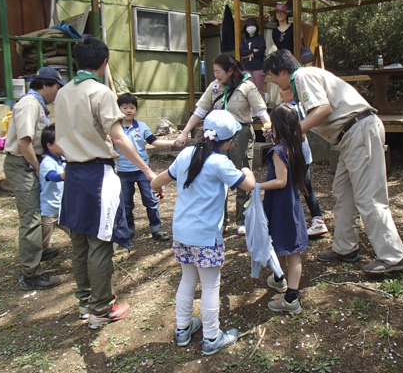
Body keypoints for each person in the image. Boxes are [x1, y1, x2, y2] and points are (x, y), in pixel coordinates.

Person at [264, 50, 403, 274]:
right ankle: (345, 247)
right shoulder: (302, 83)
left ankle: (393, 256)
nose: (272, 81)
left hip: (358, 131)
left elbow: (323, 109)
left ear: (283, 71)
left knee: (368, 196)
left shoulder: (302, 76)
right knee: (343, 192)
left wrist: (290, 132)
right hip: (350, 137)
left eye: (272, 76)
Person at [55, 37, 161, 329]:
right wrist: (148, 171)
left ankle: (85, 302)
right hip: (97, 174)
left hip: (73, 174)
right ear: (104, 63)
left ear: (77, 61)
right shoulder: (100, 92)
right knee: (100, 242)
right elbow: (118, 137)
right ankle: (101, 309)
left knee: (79, 240)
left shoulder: (62, 92)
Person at [151, 110, 256, 355]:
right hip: (206, 236)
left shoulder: (187, 153)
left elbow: (159, 180)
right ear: (229, 141)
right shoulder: (221, 163)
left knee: (188, 279)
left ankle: (183, 330)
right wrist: (248, 171)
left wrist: (156, 188)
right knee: (210, 285)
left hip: (181, 233)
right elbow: (249, 185)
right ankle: (211, 338)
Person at [175, 53, 269, 237]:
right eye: (214, 71)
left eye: (219, 71)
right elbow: (200, 111)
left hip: (240, 134)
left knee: (242, 171)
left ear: (230, 70)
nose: (216, 75)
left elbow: (260, 110)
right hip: (216, 136)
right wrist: (185, 131)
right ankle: (221, 219)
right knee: (217, 176)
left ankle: (242, 219)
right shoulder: (215, 87)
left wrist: (269, 127)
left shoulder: (247, 87)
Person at [3, 67, 65, 291]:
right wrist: (39, 169)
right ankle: (30, 274)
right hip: (23, 163)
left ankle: (38, 249)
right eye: (57, 87)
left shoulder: (38, 104)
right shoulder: (29, 104)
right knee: (31, 218)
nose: (58, 93)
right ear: (46, 85)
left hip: (30, 162)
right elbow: (24, 143)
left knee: (42, 210)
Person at [259, 103, 309, 313]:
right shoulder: (297, 145)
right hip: (291, 204)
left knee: (287, 249)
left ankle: (291, 299)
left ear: (278, 127)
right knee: (284, 245)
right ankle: (279, 278)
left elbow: (280, 181)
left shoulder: (279, 151)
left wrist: (257, 186)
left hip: (281, 205)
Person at [115, 93, 174, 242]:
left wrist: (174, 142)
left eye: (132, 107)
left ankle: (156, 228)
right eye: (124, 107)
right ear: (118, 109)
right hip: (123, 172)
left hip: (143, 172)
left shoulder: (141, 126)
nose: (128, 110)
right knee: (126, 204)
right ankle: (128, 230)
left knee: (150, 200)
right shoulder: (114, 129)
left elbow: (154, 142)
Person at [278, 87, 328, 237]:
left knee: (303, 188)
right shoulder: (287, 107)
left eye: (284, 89)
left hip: (299, 157)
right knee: (300, 188)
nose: (280, 91)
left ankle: (315, 221)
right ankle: (300, 221)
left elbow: (302, 136)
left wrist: (283, 134)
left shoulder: (296, 109)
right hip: (296, 156)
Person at [39, 124, 70, 255]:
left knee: (74, 231)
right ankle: (40, 253)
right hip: (48, 209)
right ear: (49, 145)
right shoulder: (47, 162)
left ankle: (83, 248)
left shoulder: (62, 160)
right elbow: (52, 176)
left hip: (62, 208)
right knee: (43, 236)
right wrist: (64, 175)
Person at [239, 17, 267, 100]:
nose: (250, 27)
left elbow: (261, 52)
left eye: (252, 25)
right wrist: (253, 51)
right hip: (247, 68)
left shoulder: (260, 38)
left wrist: (247, 55)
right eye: (248, 25)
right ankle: (251, 110)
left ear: (256, 27)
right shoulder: (244, 39)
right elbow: (241, 52)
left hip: (258, 68)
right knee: (249, 90)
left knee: (259, 90)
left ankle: (261, 110)